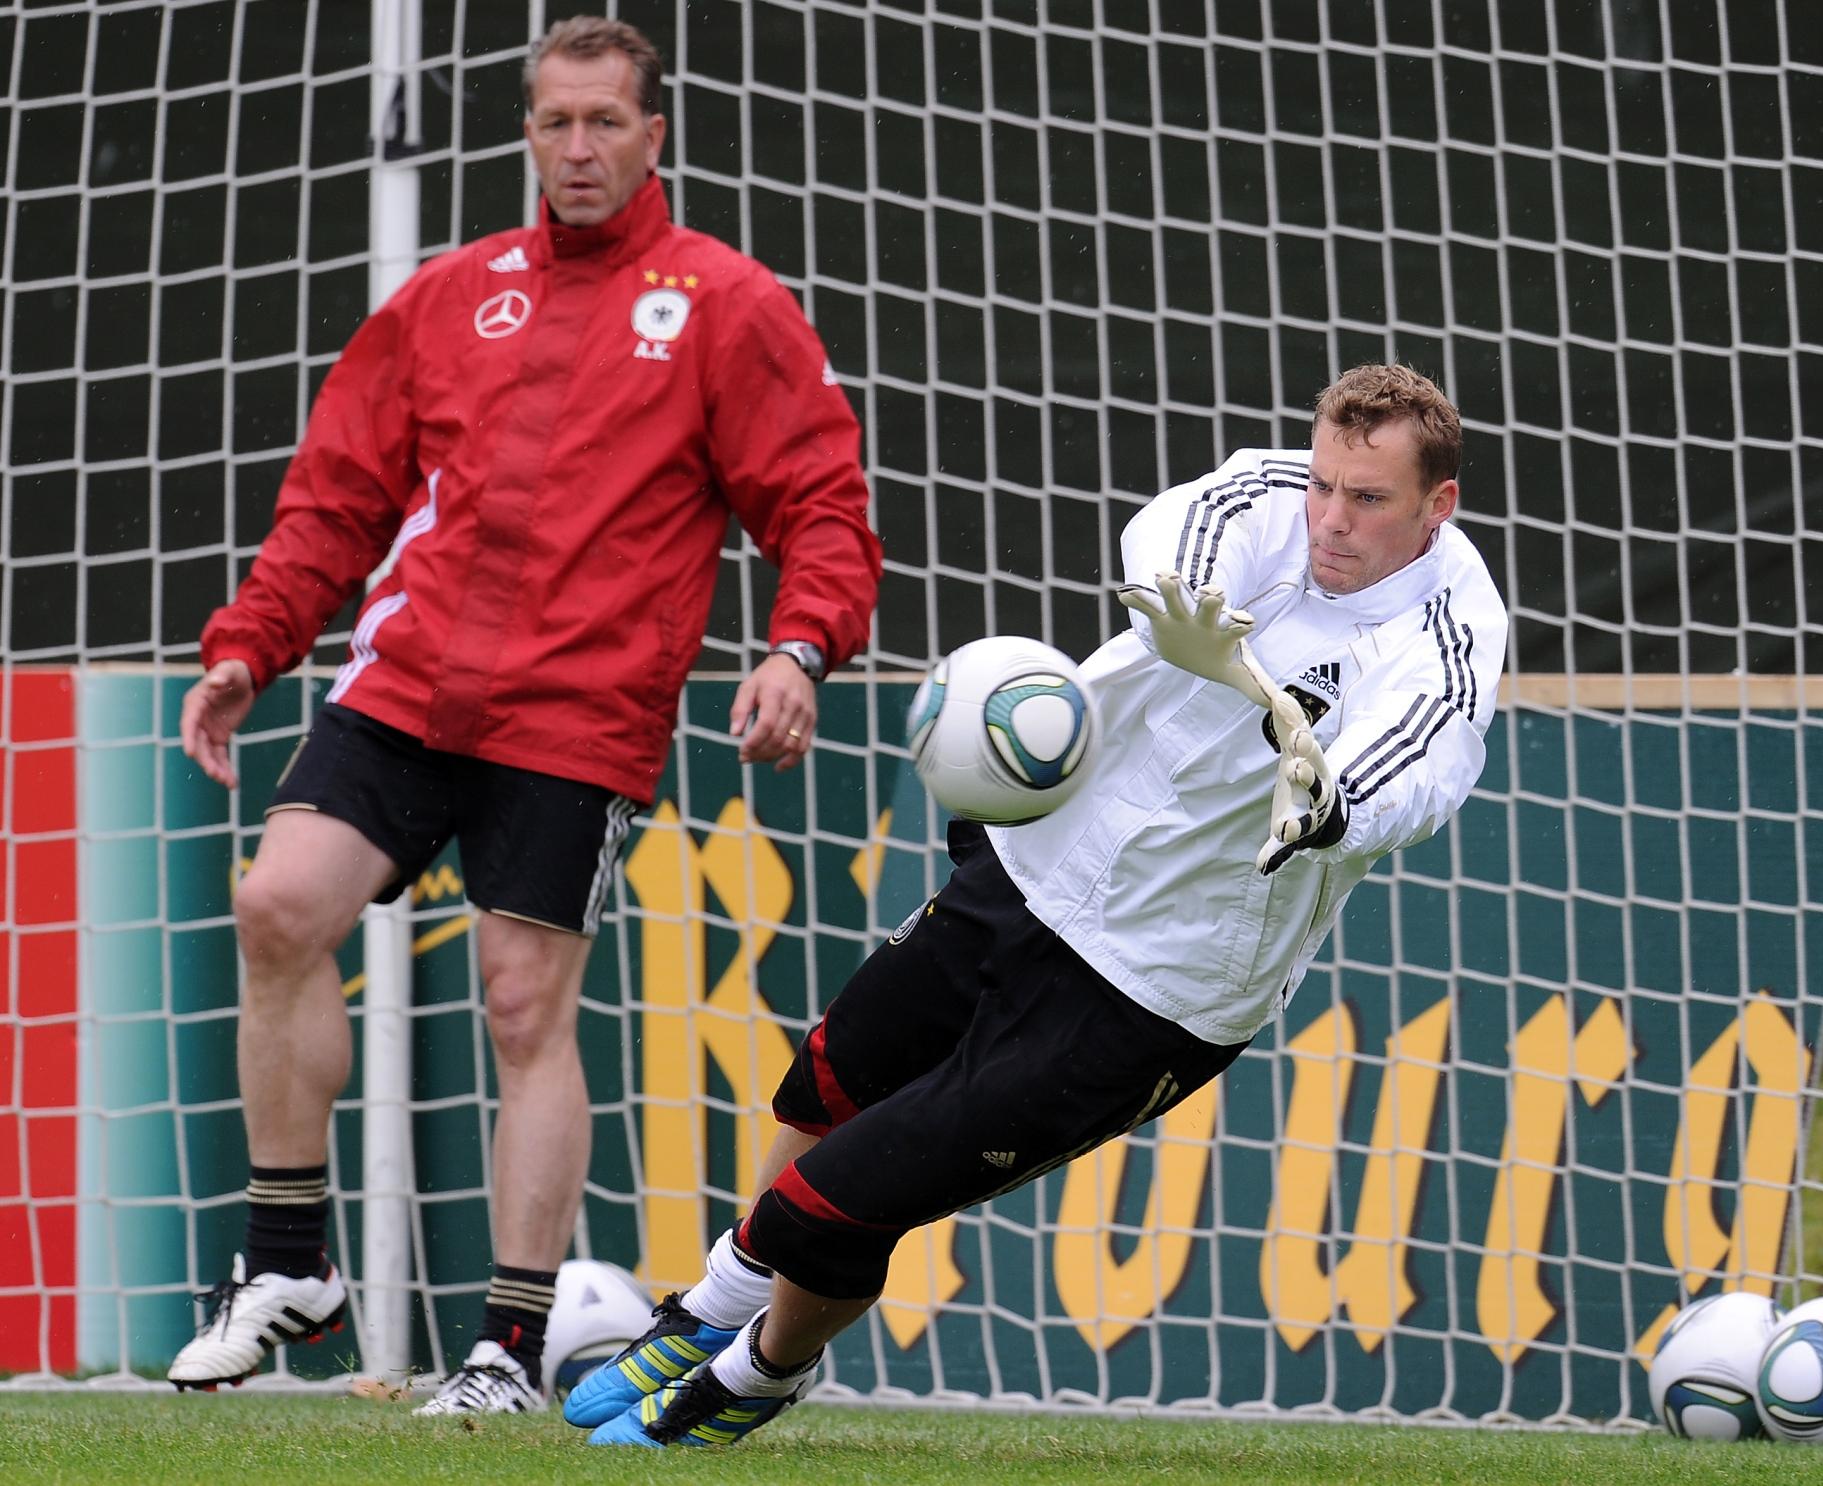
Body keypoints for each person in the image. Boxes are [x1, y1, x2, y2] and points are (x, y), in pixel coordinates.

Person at [560, 362, 1509, 1447]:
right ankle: (711, 1303)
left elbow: (1423, 766)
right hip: (1034, 867)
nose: (1332, 517)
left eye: (1368, 499)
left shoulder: (1447, 634)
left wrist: (1334, 801)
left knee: (844, 1197)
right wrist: (1187, 621)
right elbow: (1173, 536)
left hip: (1153, 986)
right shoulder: (1273, 490)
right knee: (830, 1075)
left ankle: (758, 1370)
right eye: (1327, 485)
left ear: (1438, 504)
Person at [166, 16, 881, 1415]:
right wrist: (252, 644)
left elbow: (820, 504)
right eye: (553, 122)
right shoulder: (449, 294)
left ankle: (501, 1344)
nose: (576, 149)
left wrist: (799, 645)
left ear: (652, 134)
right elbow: (337, 496)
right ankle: (289, 1264)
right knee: (277, 907)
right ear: (528, 130)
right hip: (407, 679)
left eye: (604, 122)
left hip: (577, 713)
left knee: (519, 1003)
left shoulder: (723, 303)